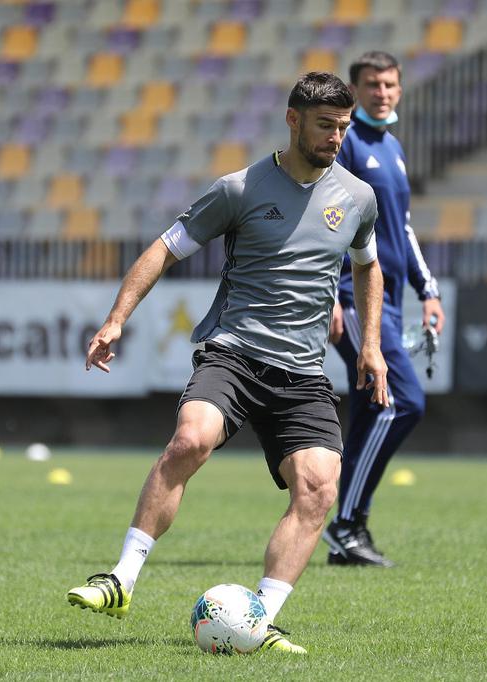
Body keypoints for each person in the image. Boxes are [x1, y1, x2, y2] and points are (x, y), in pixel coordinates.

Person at [65, 72, 388, 655]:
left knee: (318, 489)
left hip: (303, 370)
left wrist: (370, 345)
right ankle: (121, 579)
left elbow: (368, 265)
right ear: (293, 121)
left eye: (343, 126)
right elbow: (164, 248)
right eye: (324, 125)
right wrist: (116, 320)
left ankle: (259, 621)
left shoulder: (359, 197)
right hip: (235, 350)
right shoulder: (239, 189)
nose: (336, 137)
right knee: (192, 439)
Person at [322, 52, 445, 568]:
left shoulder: (391, 147)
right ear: (354, 88)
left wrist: (428, 288)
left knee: (375, 409)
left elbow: (404, 229)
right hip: (355, 299)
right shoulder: (343, 143)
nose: (383, 92)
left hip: (390, 300)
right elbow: (322, 219)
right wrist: (328, 292)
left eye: (391, 83)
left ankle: (350, 526)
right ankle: (345, 525)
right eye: (372, 84)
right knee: (402, 402)